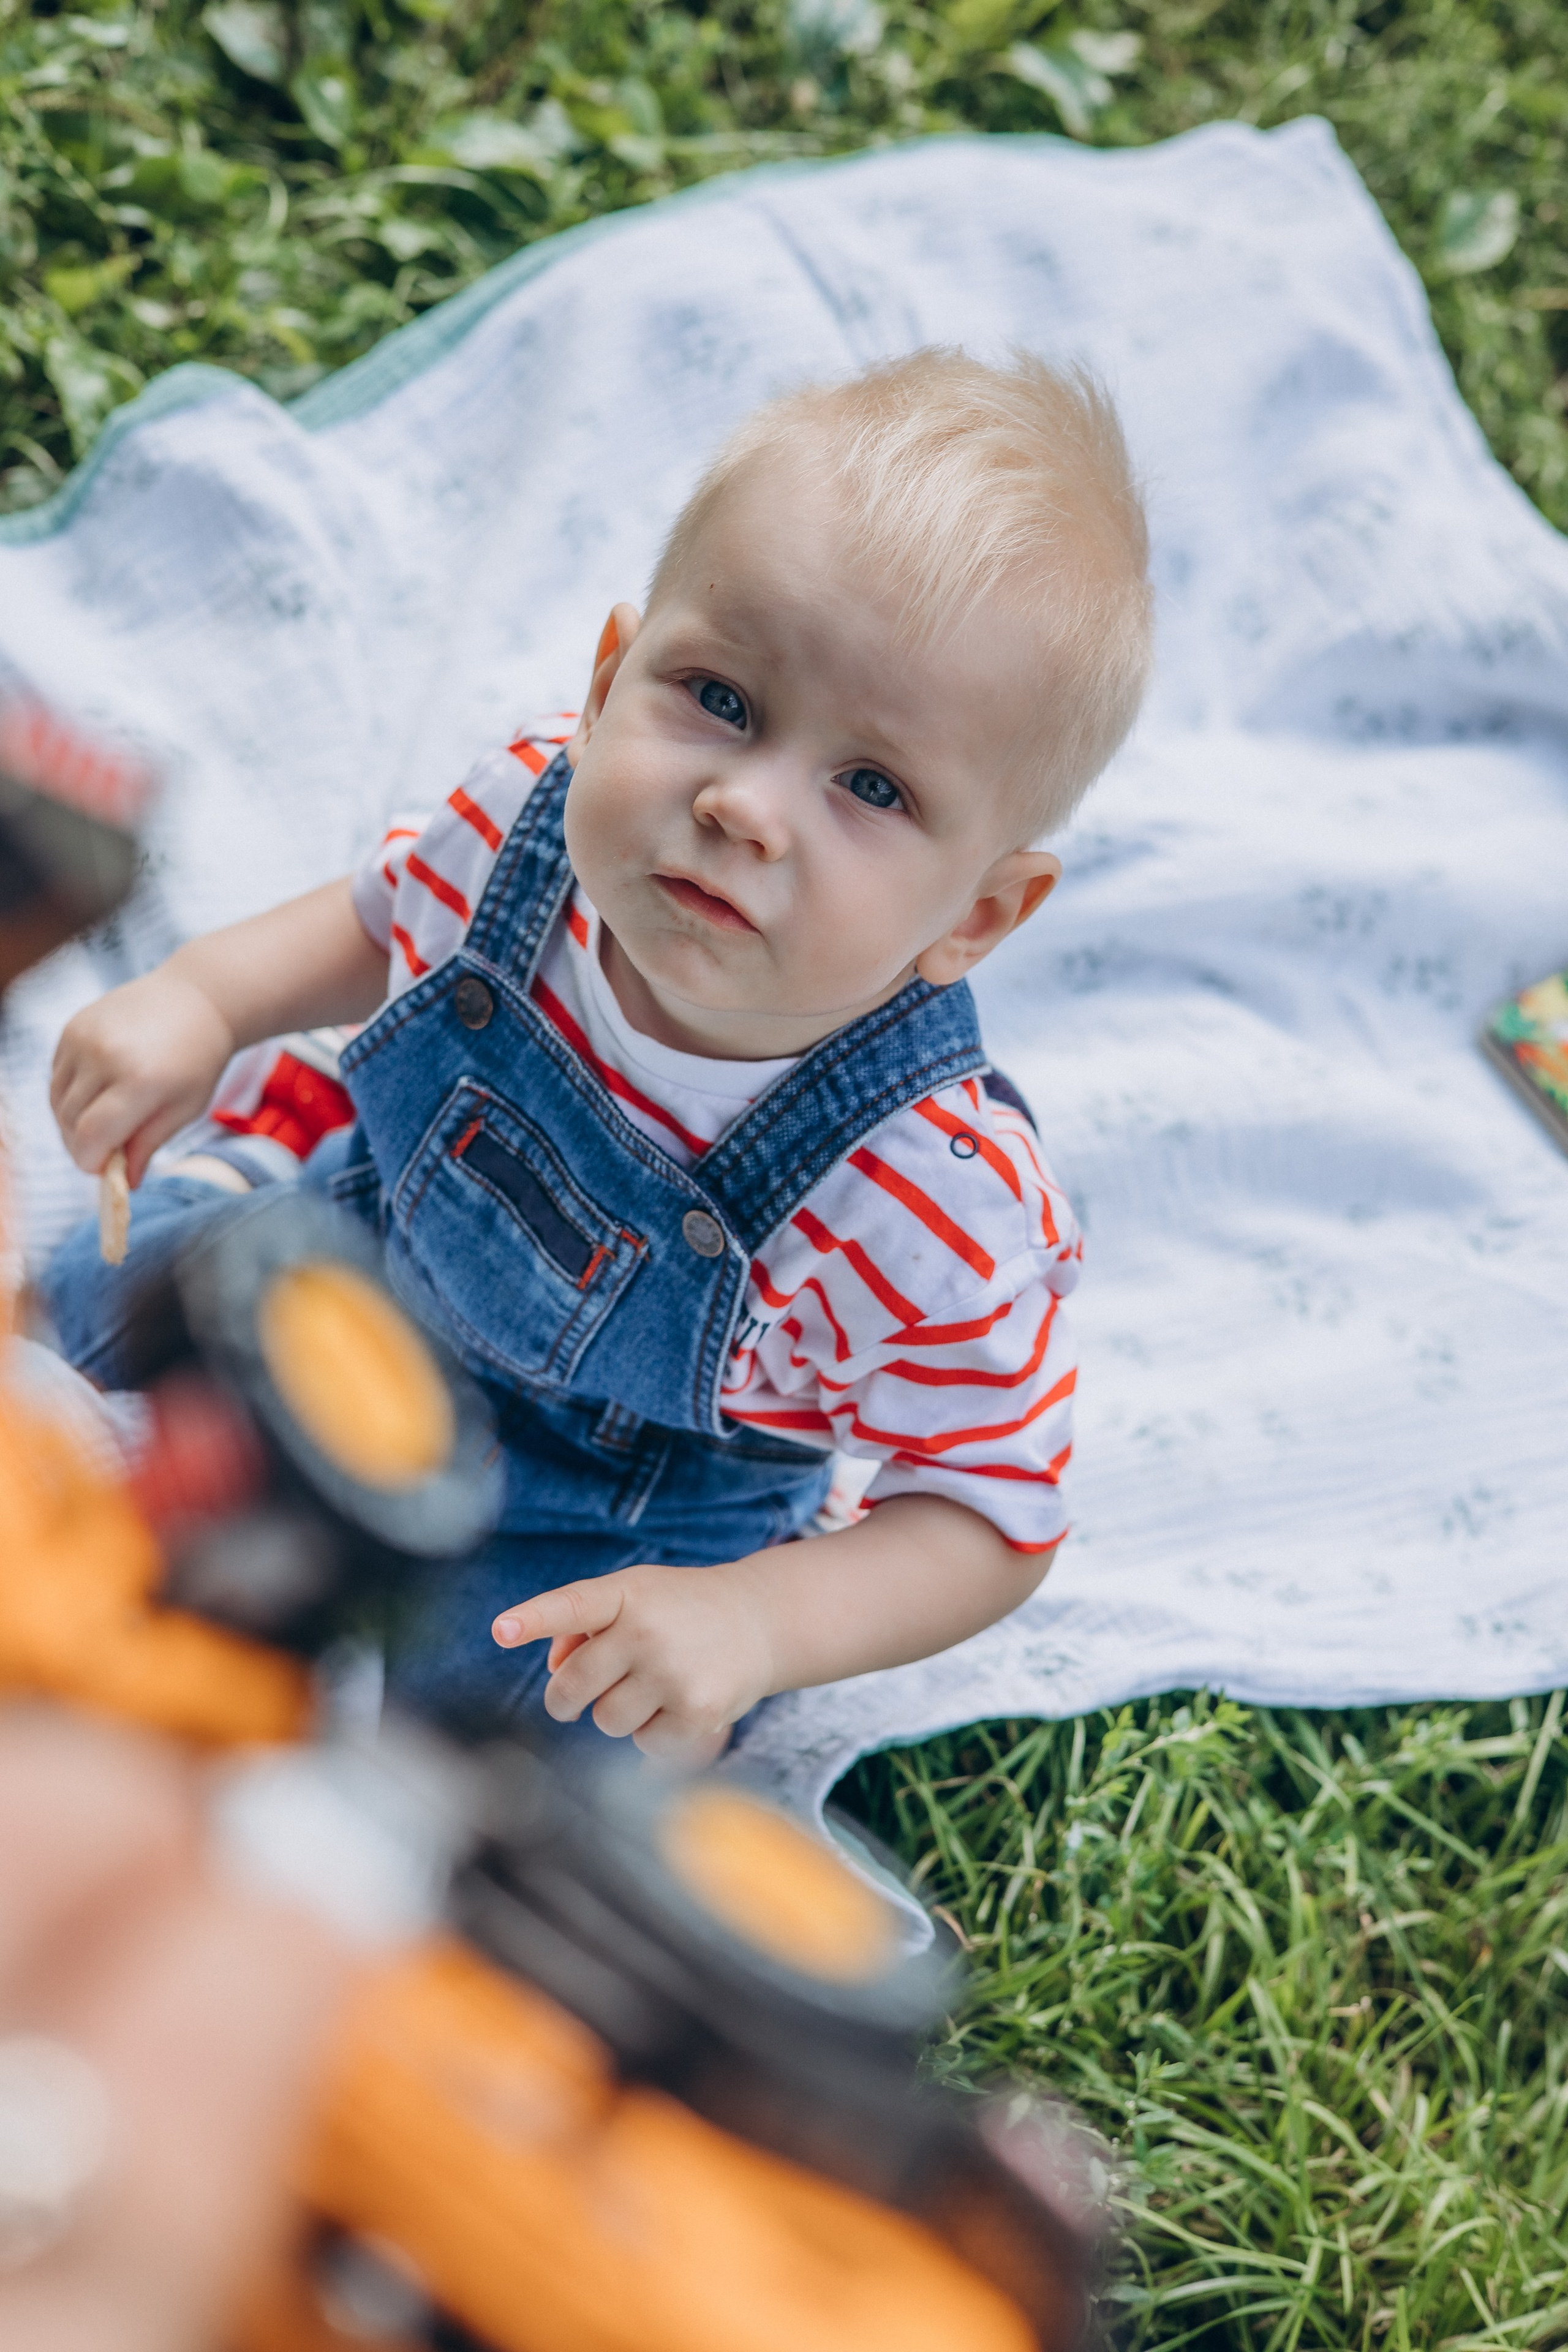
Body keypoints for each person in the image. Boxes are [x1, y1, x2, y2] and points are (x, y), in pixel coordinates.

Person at [43, 348, 1152, 1765]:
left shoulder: (929, 1201)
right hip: (348, 1260)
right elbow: (375, 919)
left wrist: (753, 1622)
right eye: (721, 698)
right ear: (611, 673)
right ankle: (188, 1317)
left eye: (870, 787)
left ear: (980, 914)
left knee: (483, 1756)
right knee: (93, 1306)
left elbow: (986, 1514)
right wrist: (200, 1002)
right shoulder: (526, 823)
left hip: (603, 1512)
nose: (744, 805)